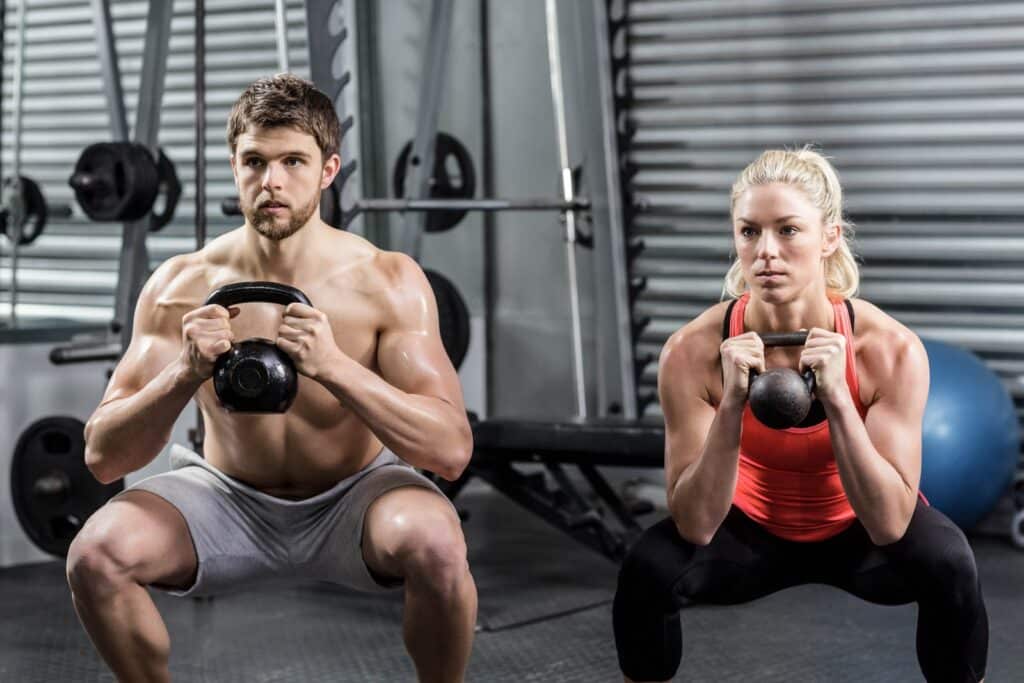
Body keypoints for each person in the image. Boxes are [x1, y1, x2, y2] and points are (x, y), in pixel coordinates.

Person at [65, 73, 477, 683]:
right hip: (224, 497)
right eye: (255, 161)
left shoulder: (387, 280)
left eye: (293, 161)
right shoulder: (180, 284)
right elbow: (103, 457)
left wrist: (334, 367)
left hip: (355, 498)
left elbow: (451, 451)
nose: (272, 182)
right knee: (94, 556)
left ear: (329, 169)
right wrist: (184, 372)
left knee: (437, 545)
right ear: (234, 165)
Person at [612, 148, 988, 683]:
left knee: (949, 563)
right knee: (648, 568)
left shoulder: (889, 350)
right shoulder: (692, 352)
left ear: (829, 236)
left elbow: (890, 522)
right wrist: (732, 407)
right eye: (749, 232)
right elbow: (695, 523)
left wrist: (837, 398)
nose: (766, 251)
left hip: (858, 534)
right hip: (746, 532)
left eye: (788, 230)